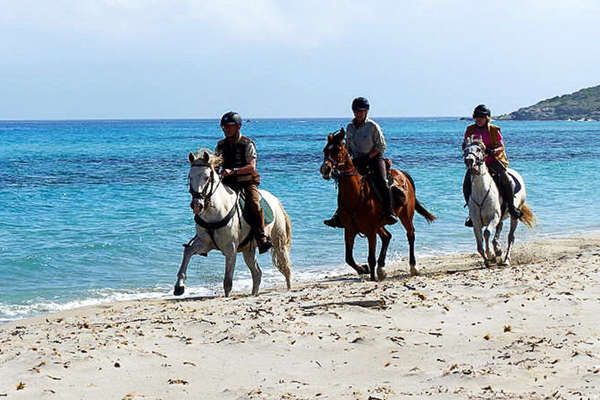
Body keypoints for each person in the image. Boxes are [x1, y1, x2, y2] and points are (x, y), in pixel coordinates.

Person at [324, 97, 398, 228]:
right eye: (356, 111)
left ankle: (389, 211)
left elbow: (381, 146)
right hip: (357, 160)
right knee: (344, 182)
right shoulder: (350, 127)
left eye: (361, 111)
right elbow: (349, 147)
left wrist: (368, 157)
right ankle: (339, 215)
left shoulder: (372, 126)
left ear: (366, 111)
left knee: (381, 181)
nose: (358, 113)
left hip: (375, 158)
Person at [214, 111, 273, 253]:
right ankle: (205, 236)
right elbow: (215, 164)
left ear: (238, 127)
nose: (225, 129)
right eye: (224, 127)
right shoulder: (220, 145)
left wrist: (232, 171)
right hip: (227, 183)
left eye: (229, 126)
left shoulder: (247, 144)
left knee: (253, 203)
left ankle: (261, 236)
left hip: (246, 182)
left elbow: (251, 166)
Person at [462, 104, 522, 227]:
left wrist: (492, 151)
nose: (478, 119)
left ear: (487, 118)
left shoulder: (494, 129)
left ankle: (511, 207)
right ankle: (471, 213)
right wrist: (468, 149)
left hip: (492, 159)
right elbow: (464, 143)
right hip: (477, 162)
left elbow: (501, 147)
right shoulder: (470, 129)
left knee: (505, 178)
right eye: (476, 117)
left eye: (481, 117)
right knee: (466, 182)